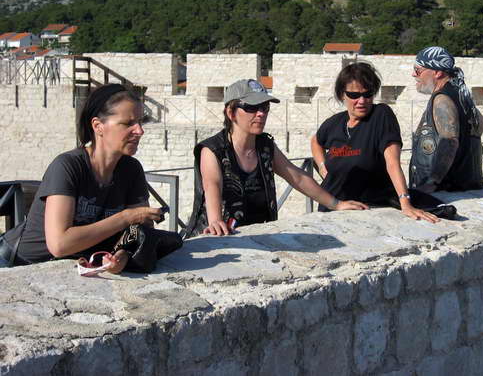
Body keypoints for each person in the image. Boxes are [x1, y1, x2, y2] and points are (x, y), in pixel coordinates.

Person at [0, 84, 165, 270]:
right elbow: (59, 244)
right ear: (98, 126)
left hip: (77, 265)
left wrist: (123, 253)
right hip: (19, 264)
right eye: (128, 123)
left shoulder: (131, 170)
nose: (139, 131)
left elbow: (140, 229)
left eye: (141, 122)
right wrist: (125, 218)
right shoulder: (67, 166)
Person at [186, 79, 367, 237]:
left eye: (265, 107)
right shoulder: (212, 150)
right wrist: (216, 221)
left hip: (260, 236)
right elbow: (212, 185)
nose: (261, 113)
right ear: (231, 113)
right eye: (251, 108)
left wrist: (337, 204)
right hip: (216, 238)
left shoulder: (265, 146)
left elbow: (297, 177)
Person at [311, 62, 438, 223]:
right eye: (354, 95)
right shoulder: (335, 123)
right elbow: (316, 141)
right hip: (330, 209)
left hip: (364, 210)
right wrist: (322, 167)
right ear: (342, 94)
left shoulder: (381, 115)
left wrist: (405, 203)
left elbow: (392, 163)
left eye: (368, 94)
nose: (362, 101)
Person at [409, 46, 483, 194]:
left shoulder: (442, 99)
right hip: (466, 184)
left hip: (447, 189)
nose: (414, 74)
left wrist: (432, 182)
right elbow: (480, 123)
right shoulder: (459, 93)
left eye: (418, 70)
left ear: (437, 72)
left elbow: (450, 142)